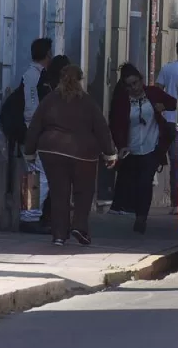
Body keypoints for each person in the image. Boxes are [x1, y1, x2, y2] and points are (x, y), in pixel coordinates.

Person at [25, 64, 118, 246]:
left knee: (59, 192)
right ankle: (79, 226)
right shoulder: (88, 102)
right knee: (83, 191)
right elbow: (102, 129)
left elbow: (35, 126)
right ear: (80, 80)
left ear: (60, 79)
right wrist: (110, 154)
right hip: (82, 153)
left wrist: (29, 152)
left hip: (51, 150)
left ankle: (59, 235)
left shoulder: (50, 100)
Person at [109, 63, 177, 234]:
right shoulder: (122, 101)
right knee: (134, 183)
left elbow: (174, 103)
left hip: (151, 147)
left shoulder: (153, 93)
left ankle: (141, 218)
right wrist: (121, 146)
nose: (135, 88)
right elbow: (116, 124)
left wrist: (163, 106)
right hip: (131, 149)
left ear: (141, 80)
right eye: (130, 85)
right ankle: (129, 209)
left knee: (146, 182)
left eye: (136, 83)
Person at [20, 38, 53, 232]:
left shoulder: (35, 74)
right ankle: (30, 216)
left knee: (34, 175)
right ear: (46, 54)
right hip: (34, 131)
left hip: (33, 130)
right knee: (39, 175)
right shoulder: (33, 76)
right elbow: (31, 107)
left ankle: (29, 214)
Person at [155, 39, 178, 215]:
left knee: (163, 159)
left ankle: (174, 201)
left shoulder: (168, 68)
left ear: (177, 51)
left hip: (167, 120)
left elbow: (157, 89)